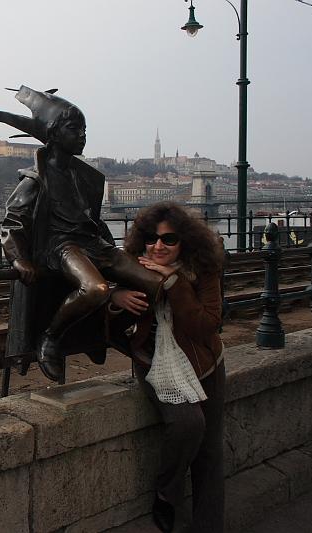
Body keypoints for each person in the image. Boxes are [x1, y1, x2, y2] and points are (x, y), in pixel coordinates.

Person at [0, 86, 167, 381]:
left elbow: (92, 220)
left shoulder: (84, 177)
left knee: (159, 284)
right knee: (96, 289)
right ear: (53, 133)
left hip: (94, 244)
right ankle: (50, 338)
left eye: (84, 129)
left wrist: (113, 251)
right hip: (61, 247)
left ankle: (111, 330)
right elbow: (13, 222)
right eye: (73, 129)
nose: (82, 135)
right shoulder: (35, 179)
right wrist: (19, 259)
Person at [109, 201, 225, 533]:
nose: (158, 246)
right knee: (188, 423)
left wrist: (174, 283)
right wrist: (115, 299)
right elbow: (105, 315)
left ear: (184, 242)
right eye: (151, 238)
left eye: (168, 239)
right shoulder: (132, 268)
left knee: (209, 455)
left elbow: (206, 325)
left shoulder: (202, 270)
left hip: (205, 362)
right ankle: (166, 494)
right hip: (153, 361)